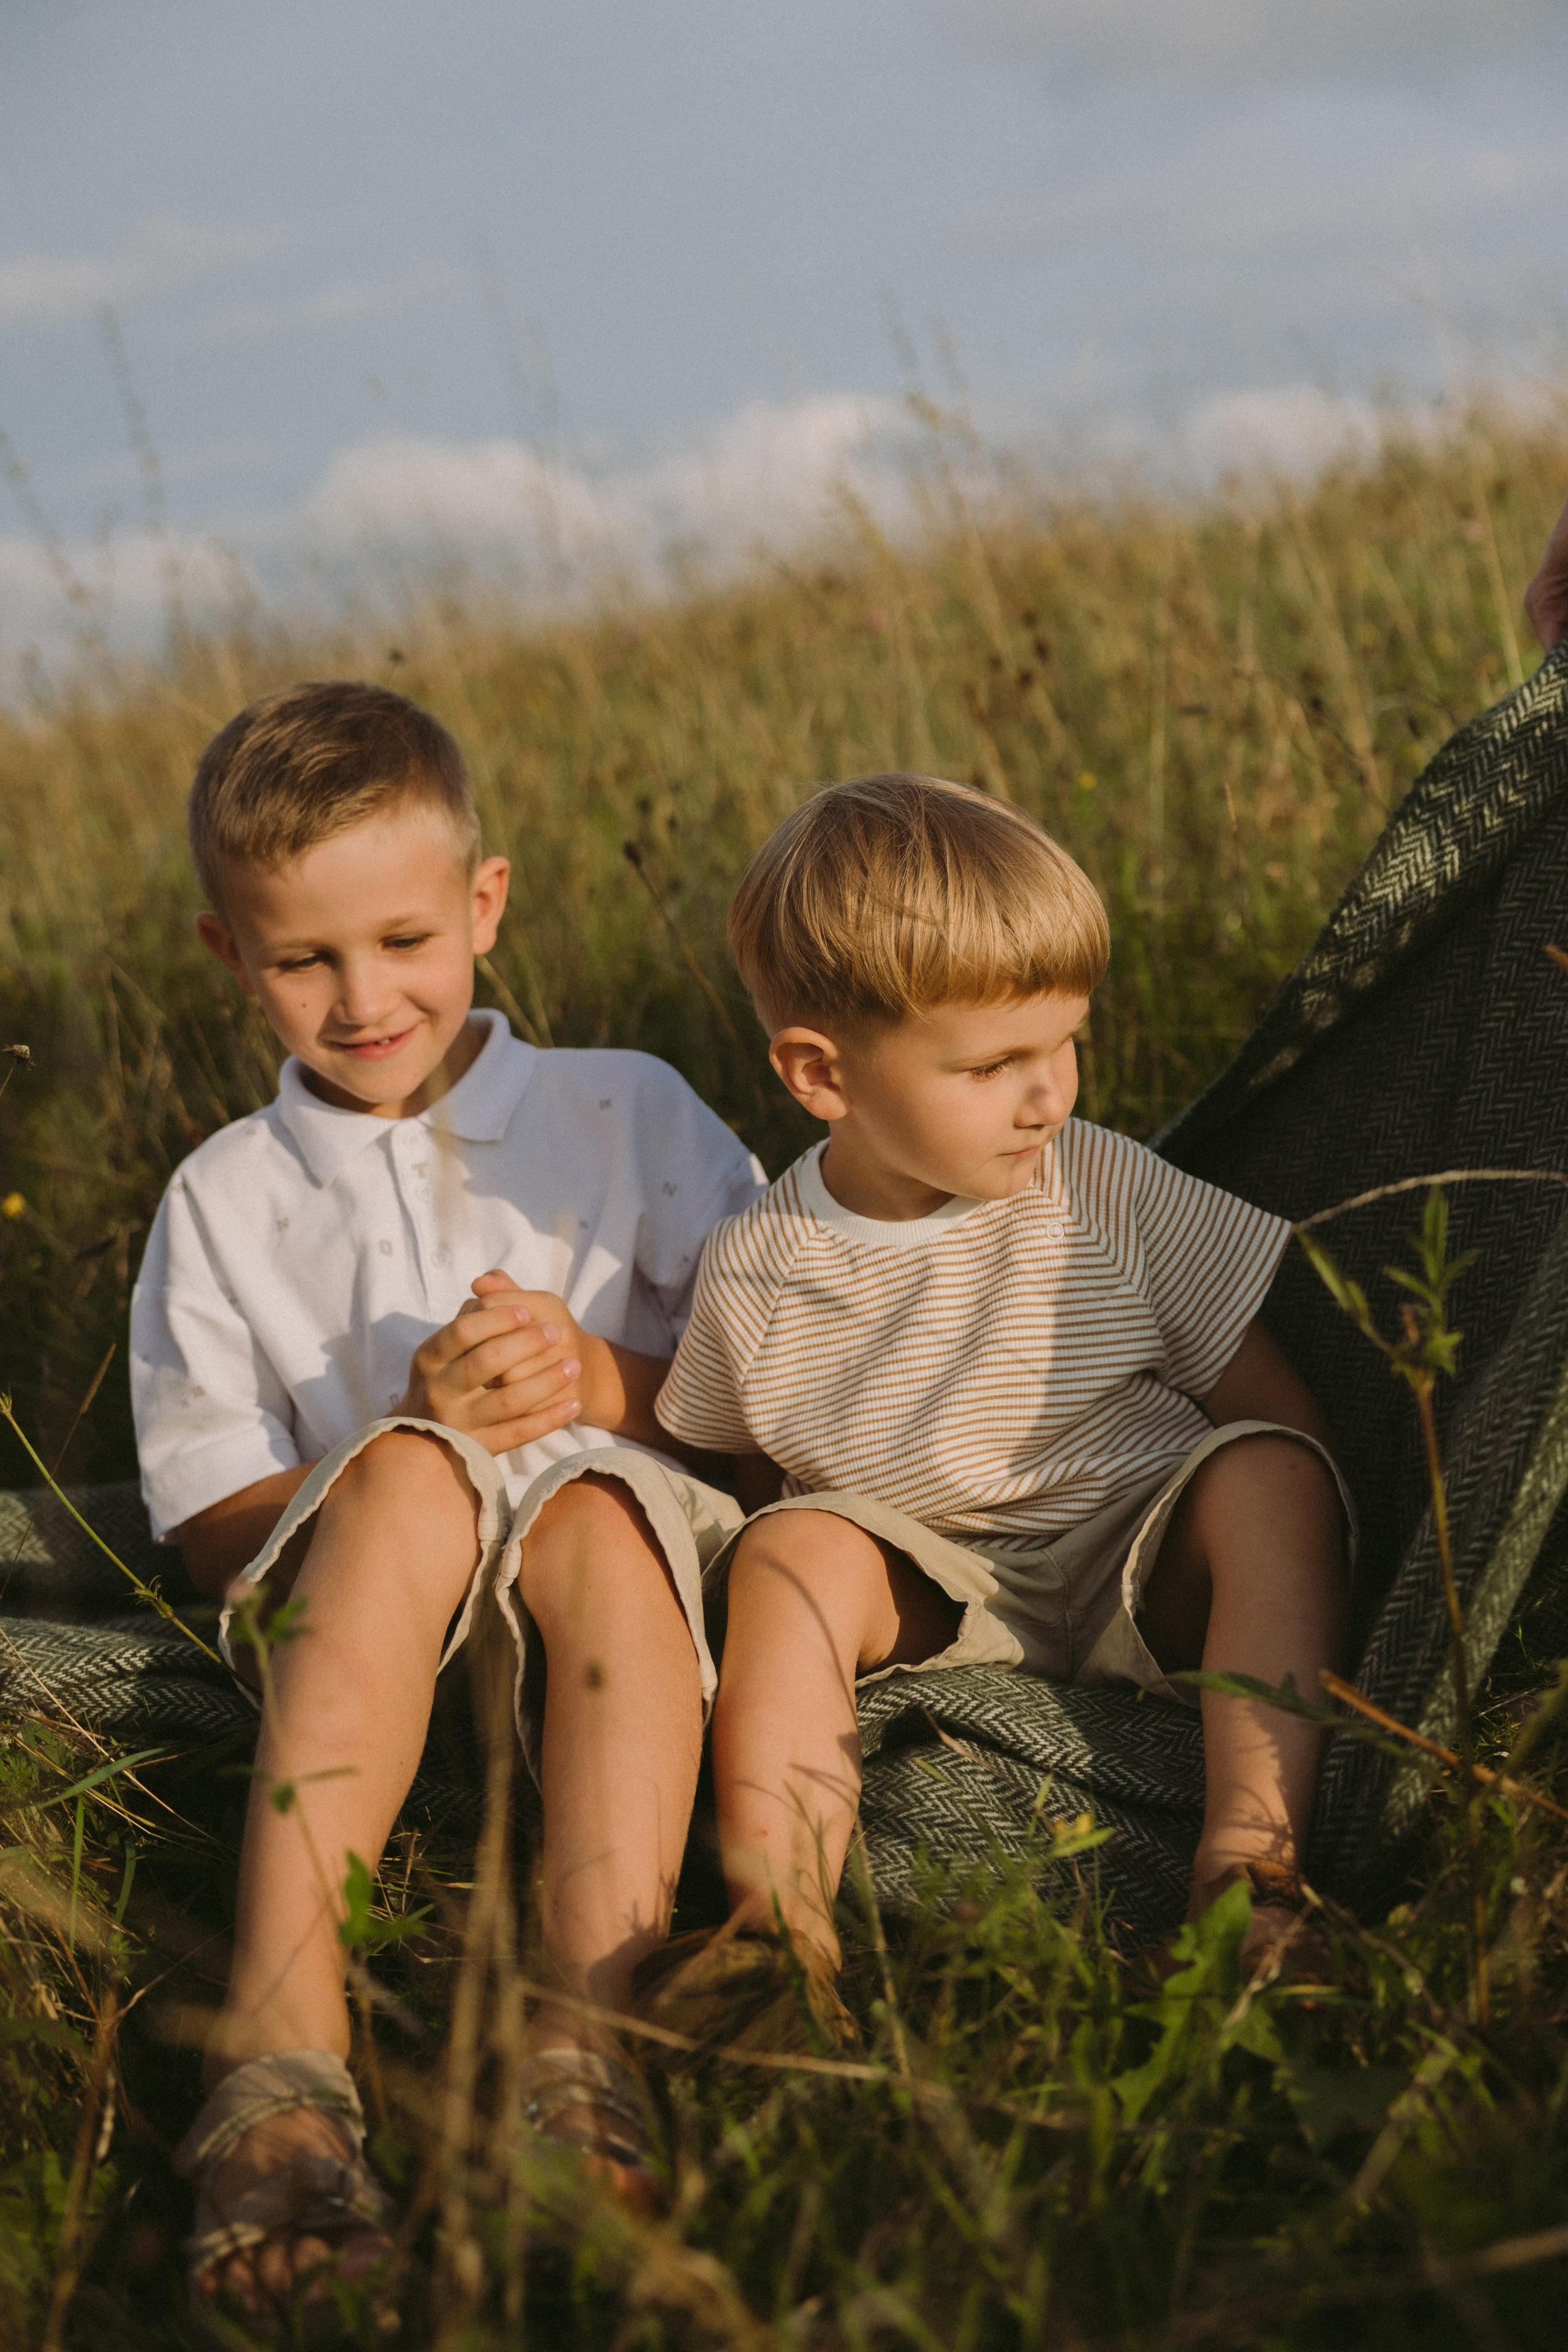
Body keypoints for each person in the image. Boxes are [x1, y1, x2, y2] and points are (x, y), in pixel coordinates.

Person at [131, 681, 765, 2318]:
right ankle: (280, 2066)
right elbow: (209, 1521)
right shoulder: (221, 1202)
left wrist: (603, 1387)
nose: (364, 998)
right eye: (303, 960)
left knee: (592, 1507)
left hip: (620, 1632)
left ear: (486, 902)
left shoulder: (626, 1112)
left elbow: (776, 1414)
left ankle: (584, 2036)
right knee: (412, 1478)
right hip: (370, 1655)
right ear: (231, 959)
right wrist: (400, 1435)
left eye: (406, 938)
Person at [642, 777, 1355, 2002]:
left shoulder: (1102, 1187)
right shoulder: (757, 1267)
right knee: (787, 1551)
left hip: (1142, 1562)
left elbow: (1265, 1397)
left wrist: (1296, 1562)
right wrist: (809, 1592)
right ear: (822, 1076)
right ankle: (777, 1929)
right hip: (944, 1598)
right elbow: (749, 1472)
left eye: (1062, 1043)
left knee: (1274, 1475)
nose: (1049, 1095)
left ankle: (1250, 1876)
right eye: (992, 1065)